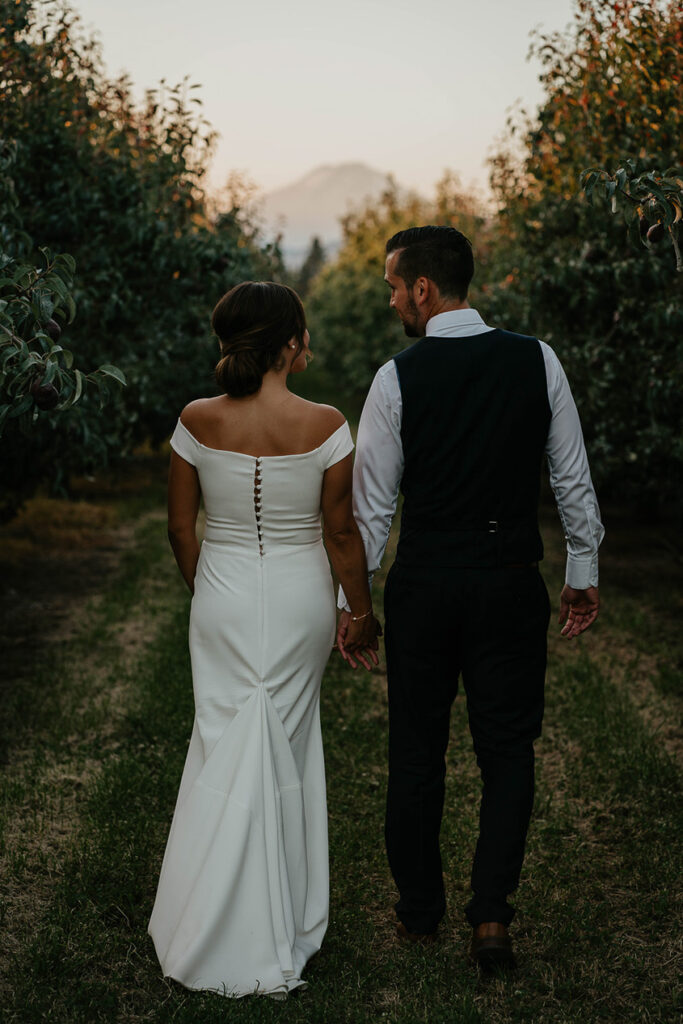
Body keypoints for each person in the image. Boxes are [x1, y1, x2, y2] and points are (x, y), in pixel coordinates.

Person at [337, 225, 604, 970]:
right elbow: (571, 480)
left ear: (422, 288)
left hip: (425, 586)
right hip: (509, 582)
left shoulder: (397, 377)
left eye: (394, 286)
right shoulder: (536, 359)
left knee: (415, 754)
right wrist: (580, 572)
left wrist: (352, 607)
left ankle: (419, 913)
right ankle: (490, 919)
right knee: (508, 752)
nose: (391, 299)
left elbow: (371, 511)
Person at [148, 281, 381, 1000]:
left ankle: (200, 916)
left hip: (219, 593)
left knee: (219, 740)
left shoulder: (194, 419)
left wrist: (207, 589)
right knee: (283, 739)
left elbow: (180, 528)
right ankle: (279, 922)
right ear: (287, 344)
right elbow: (340, 533)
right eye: (302, 334)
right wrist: (360, 611)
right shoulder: (326, 425)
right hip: (297, 597)